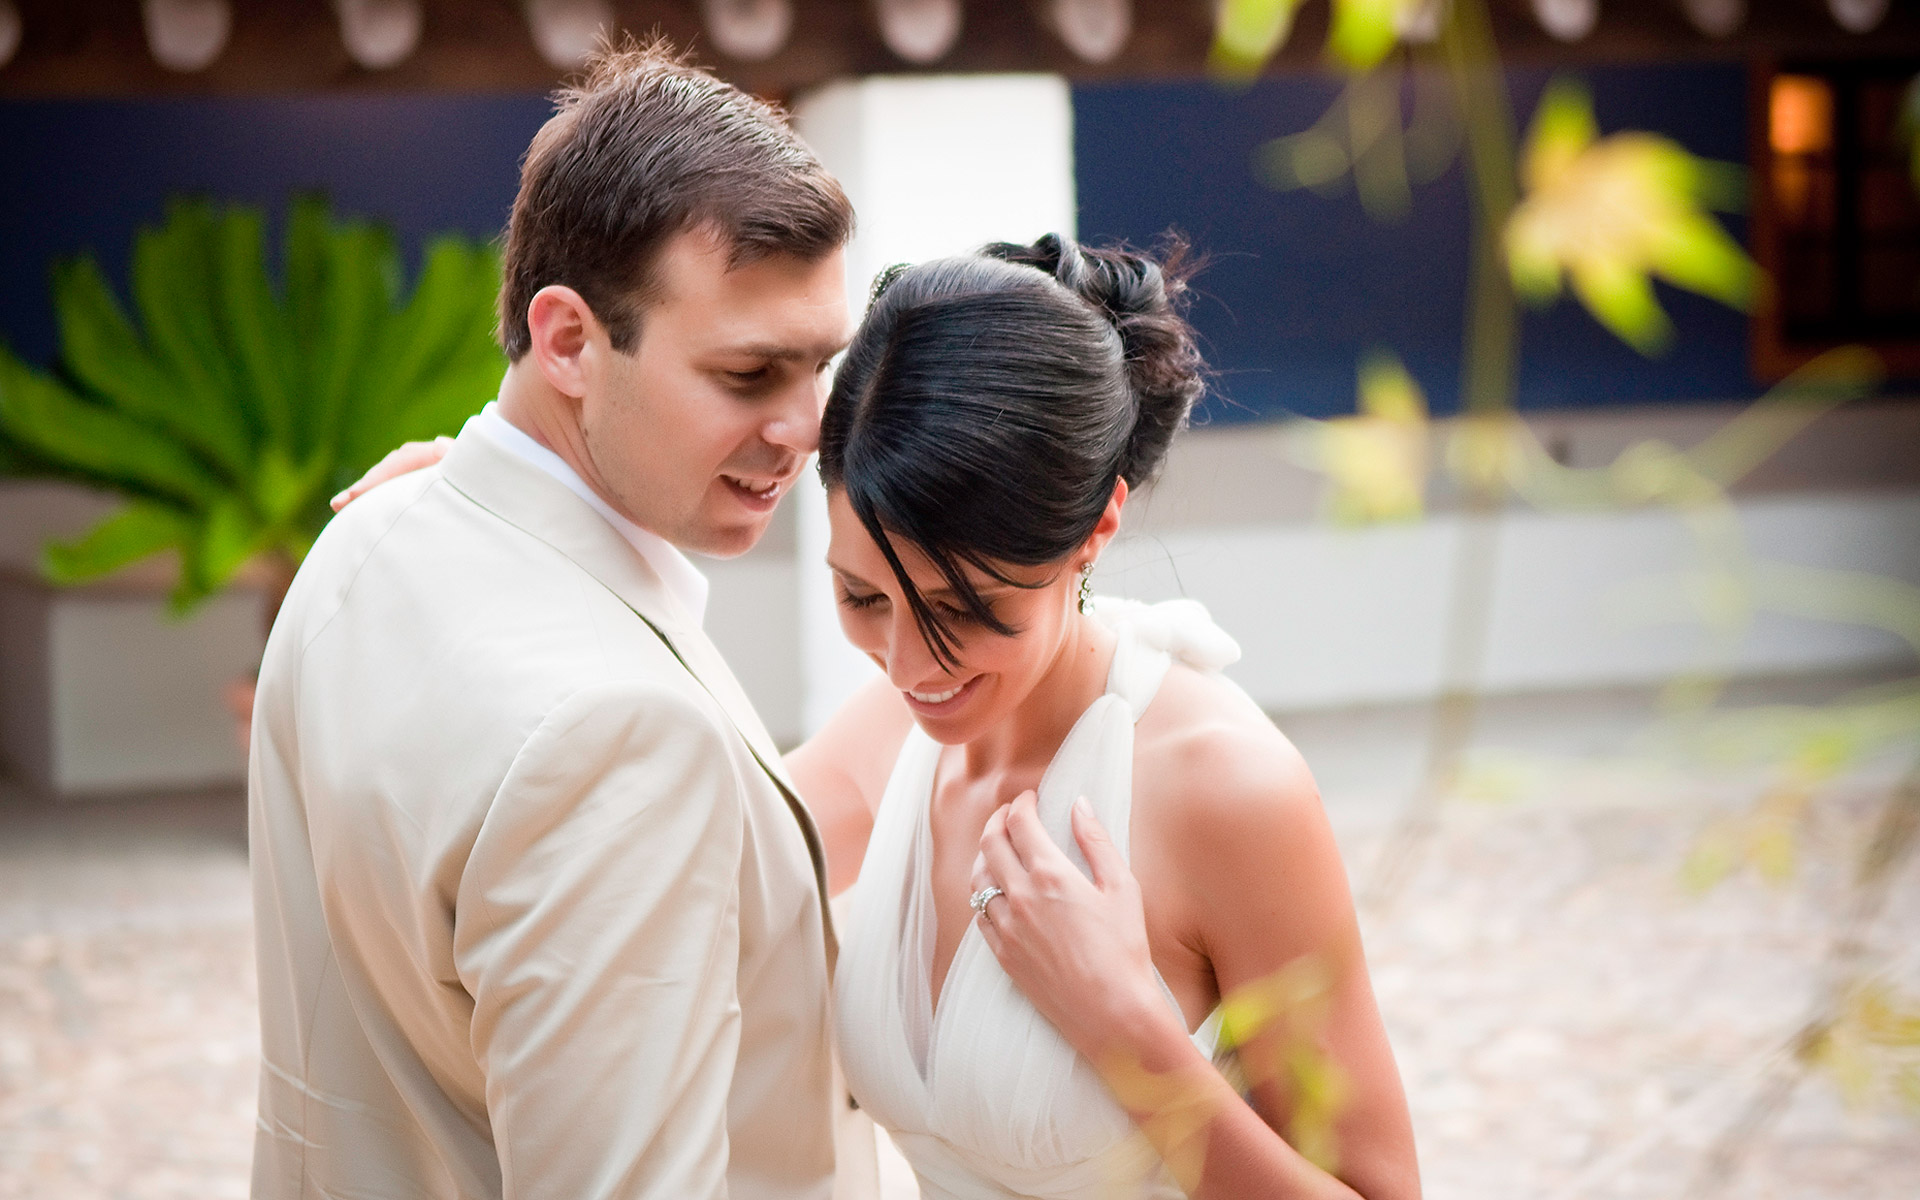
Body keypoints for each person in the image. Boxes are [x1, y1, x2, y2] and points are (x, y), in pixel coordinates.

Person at [346, 235, 1421, 1200]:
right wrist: (499, 512)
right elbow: (651, 856)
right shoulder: (891, 736)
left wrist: (1129, 1031)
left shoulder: (1224, 789)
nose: (910, 665)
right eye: (863, 598)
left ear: (1096, 530)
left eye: (968, 612)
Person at [249, 43, 862, 1200]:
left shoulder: (367, 537)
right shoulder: (618, 737)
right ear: (569, 339)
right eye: (748, 375)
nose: (807, 425)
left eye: (820, 365)